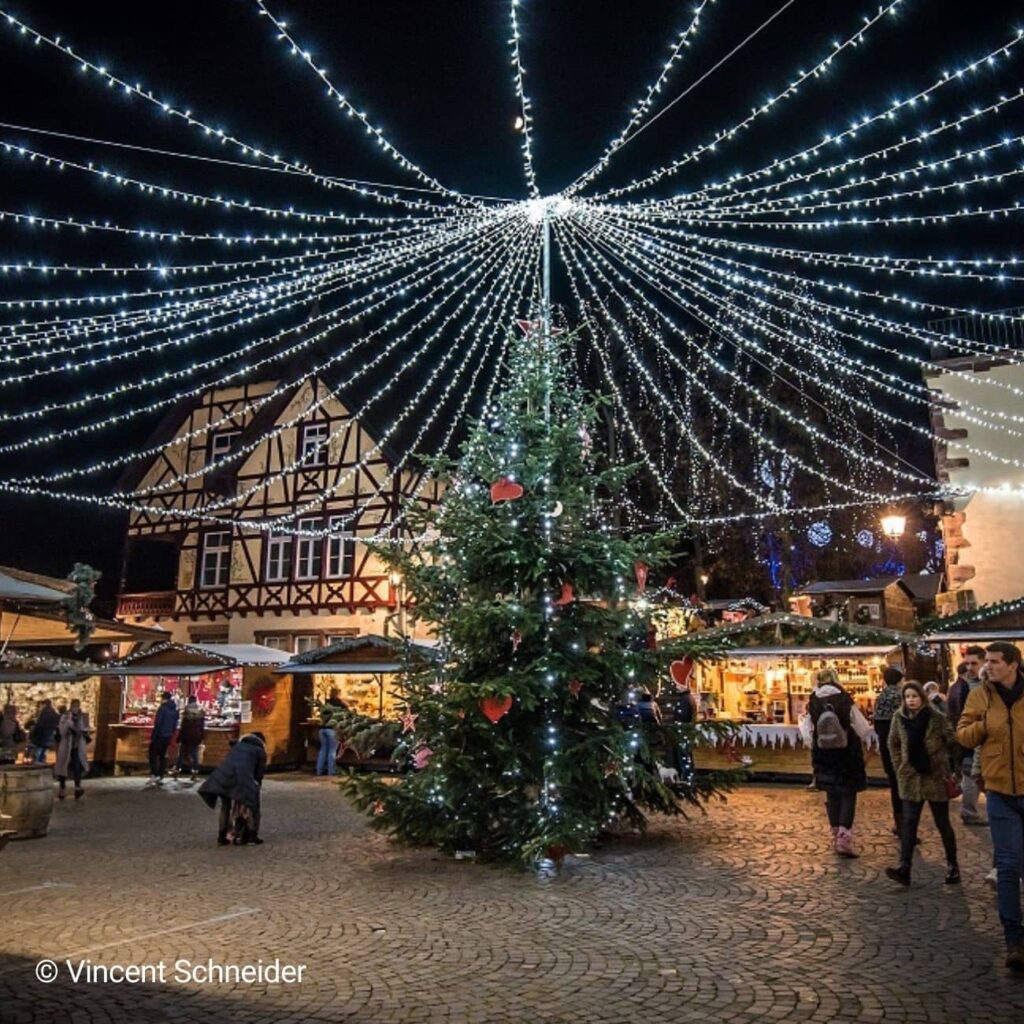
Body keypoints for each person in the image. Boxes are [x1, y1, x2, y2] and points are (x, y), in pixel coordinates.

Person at [957, 641, 1024, 973]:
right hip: (999, 792)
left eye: (996, 662)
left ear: (1013, 665)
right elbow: (963, 735)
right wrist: (984, 724)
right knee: (1008, 866)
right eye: (989, 662)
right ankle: (1014, 940)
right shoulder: (979, 695)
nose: (989, 666)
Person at [884, 681, 960, 887]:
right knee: (909, 823)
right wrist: (900, 765)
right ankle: (904, 867)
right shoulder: (899, 718)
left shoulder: (936, 717)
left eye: (914, 696)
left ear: (922, 697)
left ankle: (953, 865)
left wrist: (950, 767)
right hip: (910, 777)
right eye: (907, 696)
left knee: (942, 823)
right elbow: (893, 743)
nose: (911, 700)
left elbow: (952, 742)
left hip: (935, 777)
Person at [798, 668, 871, 857]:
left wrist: (815, 742)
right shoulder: (844, 699)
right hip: (847, 753)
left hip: (823, 754)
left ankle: (835, 834)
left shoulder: (814, 700)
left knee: (832, 794)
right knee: (848, 793)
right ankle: (844, 840)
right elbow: (862, 728)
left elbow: (806, 729)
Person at [198, 731, 267, 845]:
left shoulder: (237, 747)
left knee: (225, 807)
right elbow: (259, 774)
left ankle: (222, 836)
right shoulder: (259, 751)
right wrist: (255, 786)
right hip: (241, 779)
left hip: (222, 778)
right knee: (249, 805)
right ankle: (251, 836)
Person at [947, 647, 986, 825]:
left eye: (974, 663)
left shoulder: (962, 686)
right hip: (971, 740)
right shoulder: (965, 687)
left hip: (972, 740)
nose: (970, 667)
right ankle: (969, 812)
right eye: (967, 663)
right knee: (971, 775)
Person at [872, 666, 905, 837]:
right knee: (905, 786)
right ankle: (907, 826)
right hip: (901, 747)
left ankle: (899, 823)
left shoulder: (880, 697)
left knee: (894, 785)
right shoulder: (902, 696)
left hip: (886, 747)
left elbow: (877, 723)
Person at [54, 699, 91, 800]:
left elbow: (86, 728)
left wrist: (83, 731)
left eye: (77, 705)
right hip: (66, 745)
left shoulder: (83, 717)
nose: (75, 708)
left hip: (77, 746)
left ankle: (77, 787)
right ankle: (62, 789)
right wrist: (69, 724)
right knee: (63, 766)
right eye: (74, 705)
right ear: (71, 706)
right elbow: (62, 730)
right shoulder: (65, 716)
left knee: (77, 766)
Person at [147, 691, 179, 786]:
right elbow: (175, 724)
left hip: (159, 735)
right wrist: (171, 733)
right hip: (168, 736)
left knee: (153, 754)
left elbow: (158, 723)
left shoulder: (162, 709)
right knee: (162, 755)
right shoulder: (174, 709)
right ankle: (160, 776)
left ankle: (154, 774)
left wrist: (153, 736)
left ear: (163, 699)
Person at [175, 696, 206, 781]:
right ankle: (195, 772)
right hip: (196, 736)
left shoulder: (186, 712)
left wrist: (179, 737)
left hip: (186, 736)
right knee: (194, 754)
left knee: (181, 754)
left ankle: (177, 770)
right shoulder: (201, 713)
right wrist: (202, 737)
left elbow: (183, 727)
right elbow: (201, 727)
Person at [316, 690, 345, 777]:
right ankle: (331, 771)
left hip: (322, 729)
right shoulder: (340, 704)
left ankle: (319, 770)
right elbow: (346, 715)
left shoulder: (326, 704)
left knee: (323, 749)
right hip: (332, 729)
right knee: (332, 750)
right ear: (338, 694)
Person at [29, 699, 61, 764]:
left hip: (43, 733)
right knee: (44, 748)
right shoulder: (52, 711)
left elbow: (39, 723)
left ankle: (38, 760)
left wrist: (35, 731)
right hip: (49, 732)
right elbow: (57, 719)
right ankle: (41, 759)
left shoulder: (44, 712)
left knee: (40, 747)